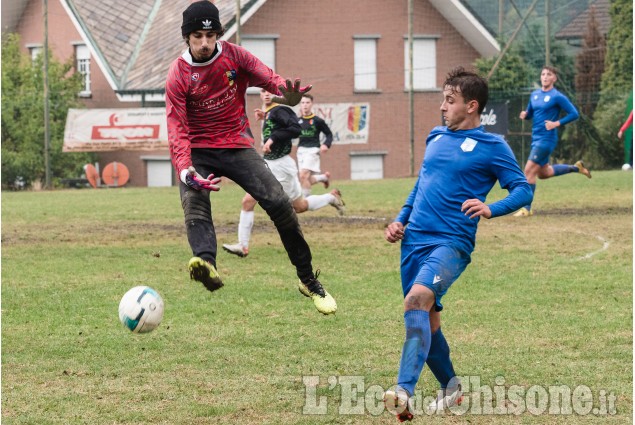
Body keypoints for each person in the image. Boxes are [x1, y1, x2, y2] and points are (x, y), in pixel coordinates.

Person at [165, 0, 336, 315]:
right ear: (186, 38)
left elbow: (269, 78)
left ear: (217, 34)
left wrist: (289, 92)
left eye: (210, 35)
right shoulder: (178, 74)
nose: (204, 43)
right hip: (198, 151)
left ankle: (308, 280)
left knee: (280, 204)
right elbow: (177, 127)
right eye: (197, 37)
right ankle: (206, 263)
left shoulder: (234, 56)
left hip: (236, 144)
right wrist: (185, 169)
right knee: (195, 200)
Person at [382, 67, 532, 422]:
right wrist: (400, 218)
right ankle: (452, 389)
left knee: (416, 299)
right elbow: (422, 183)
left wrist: (491, 208)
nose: (442, 107)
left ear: (472, 106)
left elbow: (522, 189)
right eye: (443, 100)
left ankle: (403, 390)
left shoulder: (493, 146)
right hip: (414, 240)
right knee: (426, 320)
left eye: (450, 101)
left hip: (451, 243)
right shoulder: (435, 136)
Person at [222, 89, 345, 258]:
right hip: (270, 164)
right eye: (263, 91)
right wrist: (265, 117)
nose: (266, 94)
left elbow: (295, 129)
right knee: (260, 202)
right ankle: (242, 245)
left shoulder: (281, 109)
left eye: (270, 91)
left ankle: (244, 246)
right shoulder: (271, 111)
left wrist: (273, 138)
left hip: (281, 166)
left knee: (284, 205)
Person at [514, 65, 590, 217]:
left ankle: (526, 209)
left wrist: (557, 123)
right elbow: (530, 113)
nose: (545, 77)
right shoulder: (534, 95)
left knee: (528, 171)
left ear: (554, 78)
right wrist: (525, 115)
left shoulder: (557, 96)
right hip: (536, 139)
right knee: (543, 173)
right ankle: (576, 168)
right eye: (543, 74)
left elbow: (574, 114)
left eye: (549, 74)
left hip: (547, 140)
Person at [297, 94, 334, 197]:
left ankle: (307, 201)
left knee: (303, 175)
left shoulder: (317, 121)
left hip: (313, 150)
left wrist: (326, 145)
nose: (305, 105)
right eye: (303, 103)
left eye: (307, 103)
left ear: (312, 104)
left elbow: (329, 134)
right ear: (300, 105)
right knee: (305, 178)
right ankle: (323, 178)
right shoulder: (297, 121)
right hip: (301, 151)